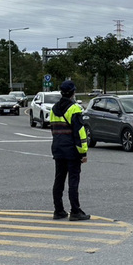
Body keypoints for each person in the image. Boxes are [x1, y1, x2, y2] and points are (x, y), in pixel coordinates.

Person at [49, 80, 90, 221]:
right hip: (72, 151)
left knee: (59, 180)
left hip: (57, 148)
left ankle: (58, 210)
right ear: (73, 92)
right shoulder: (75, 109)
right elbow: (80, 133)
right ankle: (75, 211)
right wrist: (83, 152)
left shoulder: (54, 109)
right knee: (73, 181)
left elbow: (53, 129)